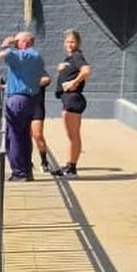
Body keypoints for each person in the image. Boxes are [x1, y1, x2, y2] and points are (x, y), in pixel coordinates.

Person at [0, 31, 45, 182]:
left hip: (17, 101)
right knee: (24, 137)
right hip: (29, 100)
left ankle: (19, 173)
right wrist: (3, 87)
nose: (15, 43)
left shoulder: (25, 55)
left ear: (26, 42)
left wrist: (7, 44)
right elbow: (23, 79)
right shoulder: (37, 57)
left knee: (14, 138)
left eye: (17, 41)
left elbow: (3, 54)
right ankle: (26, 170)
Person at [54, 29, 91, 177]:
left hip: (73, 98)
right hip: (68, 99)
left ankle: (72, 168)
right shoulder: (70, 59)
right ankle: (69, 165)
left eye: (73, 42)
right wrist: (62, 68)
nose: (70, 44)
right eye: (67, 42)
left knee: (73, 136)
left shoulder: (76, 56)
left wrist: (74, 82)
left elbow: (86, 70)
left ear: (78, 43)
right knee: (71, 136)